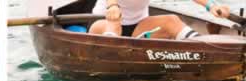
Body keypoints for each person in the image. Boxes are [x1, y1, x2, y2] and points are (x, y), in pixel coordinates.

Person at [90, 0, 231, 39]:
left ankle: (202, 48)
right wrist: (113, 5)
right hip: (104, 24)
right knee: (114, 25)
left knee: (172, 20)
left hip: (139, 27)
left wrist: (212, 6)